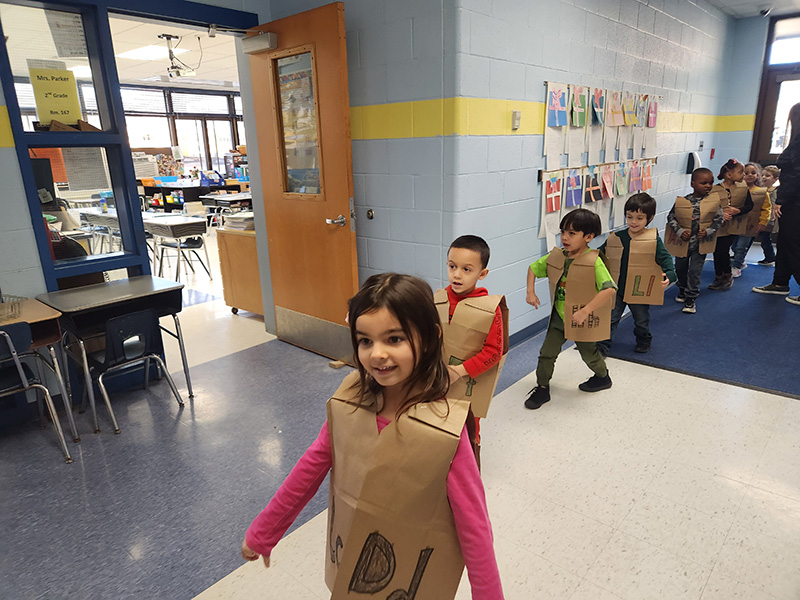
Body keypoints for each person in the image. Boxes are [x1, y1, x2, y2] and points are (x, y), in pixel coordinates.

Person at [241, 273, 504, 599]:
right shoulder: (352, 405)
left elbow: (474, 525)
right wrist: (265, 531)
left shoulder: (444, 430)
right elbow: (311, 466)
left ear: (430, 337)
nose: (377, 354)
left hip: (407, 574)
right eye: (365, 340)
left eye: (394, 339)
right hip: (356, 559)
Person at [524, 208, 617, 409]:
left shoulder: (594, 262)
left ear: (589, 237)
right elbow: (533, 268)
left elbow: (609, 289)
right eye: (563, 232)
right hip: (559, 316)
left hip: (580, 318)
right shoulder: (558, 257)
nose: (565, 237)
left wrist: (586, 311)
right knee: (546, 353)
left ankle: (603, 377)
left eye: (572, 233)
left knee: (589, 353)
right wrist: (530, 292)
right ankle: (542, 388)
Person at [435, 235, 507, 466]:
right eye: (452, 266)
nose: (457, 274)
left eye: (467, 269)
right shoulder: (438, 300)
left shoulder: (488, 309)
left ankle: (469, 471)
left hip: (468, 384)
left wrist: (461, 371)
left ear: (482, 274)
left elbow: (495, 351)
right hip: (437, 379)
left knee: (468, 430)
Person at [597, 193, 676, 355]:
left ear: (650, 217)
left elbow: (665, 259)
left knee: (641, 319)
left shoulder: (652, 240)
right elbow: (599, 255)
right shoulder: (617, 238)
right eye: (629, 217)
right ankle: (602, 345)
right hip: (616, 288)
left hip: (638, 289)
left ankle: (643, 339)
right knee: (611, 318)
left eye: (640, 218)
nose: (633, 222)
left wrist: (669, 275)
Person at [753, 101, 800, 306]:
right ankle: (780, 282)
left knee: (792, 244)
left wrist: (781, 200)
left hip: (795, 202)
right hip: (793, 199)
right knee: (784, 242)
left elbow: (796, 176)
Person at [665, 168, 725, 314]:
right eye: (703, 183)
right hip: (683, 243)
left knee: (695, 271)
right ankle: (682, 289)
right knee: (680, 268)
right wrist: (680, 231)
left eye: (710, 183)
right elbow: (671, 218)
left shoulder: (713, 202)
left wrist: (708, 231)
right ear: (693, 184)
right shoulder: (683, 201)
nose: (708, 186)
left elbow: (718, 221)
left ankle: (690, 298)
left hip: (700, 244)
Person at [708, 159, 753, 290]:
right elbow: (708, 207)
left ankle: (727, 276)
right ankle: (718, 276)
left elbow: (750, 205)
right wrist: (720, 214)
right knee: (717, 251)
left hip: (733, 226)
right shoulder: (715, 190)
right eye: (740, 172)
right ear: (728, 174)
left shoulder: (743, 189)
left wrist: (738, 211)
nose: (743, 175)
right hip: (718, 225)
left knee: (723, 250)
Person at [731, 163, 772, 277]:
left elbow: (766, 209)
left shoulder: (762, 192)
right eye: (746, 173)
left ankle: (736, 266)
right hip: (736, 223)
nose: (749, 175)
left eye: (753, 173)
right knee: (734, 246)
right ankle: (741, 261)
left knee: (741, 246)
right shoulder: (737, 190)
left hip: (751, 225)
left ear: (757, 175)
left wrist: (763, 222)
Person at [756, 165, 780, 266]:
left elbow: (773, 206)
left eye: (767, 176)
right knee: (761, 238)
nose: (764, 177)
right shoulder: (761, 189)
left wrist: (770, 220)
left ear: (775, 179)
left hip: (767, 219)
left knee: (765, 238)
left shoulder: (774, 191)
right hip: (759, 217)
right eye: (762, 175)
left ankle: (770, 257)